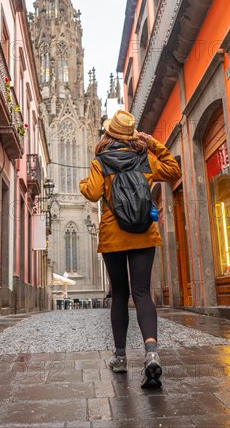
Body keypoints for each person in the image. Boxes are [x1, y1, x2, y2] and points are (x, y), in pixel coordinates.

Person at [79, 110, 181, 388]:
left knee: (121, 295)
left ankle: (121, 357)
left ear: (110, 134)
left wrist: (83, 182)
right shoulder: (145, 158)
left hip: (114, 236)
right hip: (144, 234)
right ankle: (151, 353)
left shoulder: (101, 161)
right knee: (142, 292)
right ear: (133, 134)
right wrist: (152, 143)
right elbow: (174, 170)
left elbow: (91, 193)